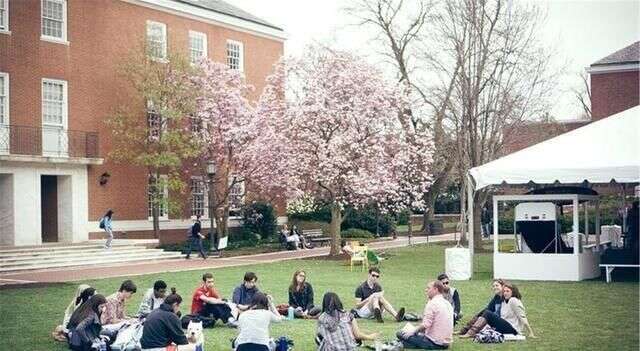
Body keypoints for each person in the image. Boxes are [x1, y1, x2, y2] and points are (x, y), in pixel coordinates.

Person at [461, 282, 536, 338]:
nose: (505, 293)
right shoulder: (504, 301)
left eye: (508, 291)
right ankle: (468, 331)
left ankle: (471, 333)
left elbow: (522, 316)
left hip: (513, 329)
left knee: (488, 313)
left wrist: (531, 332)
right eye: (504, 291)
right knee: (486, 312)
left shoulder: (513, 300)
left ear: (513, 292)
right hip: (505, 327)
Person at [396, 280, 453, 350]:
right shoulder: (447, 303)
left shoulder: (432, 303)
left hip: (434, 342)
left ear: (436, 289)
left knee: (400, 333)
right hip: (446, 343)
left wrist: (412, 332)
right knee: (408, 337)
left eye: (428, 288)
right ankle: (402, 343)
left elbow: (426, 324)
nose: (426, 290)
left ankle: (400, 343)